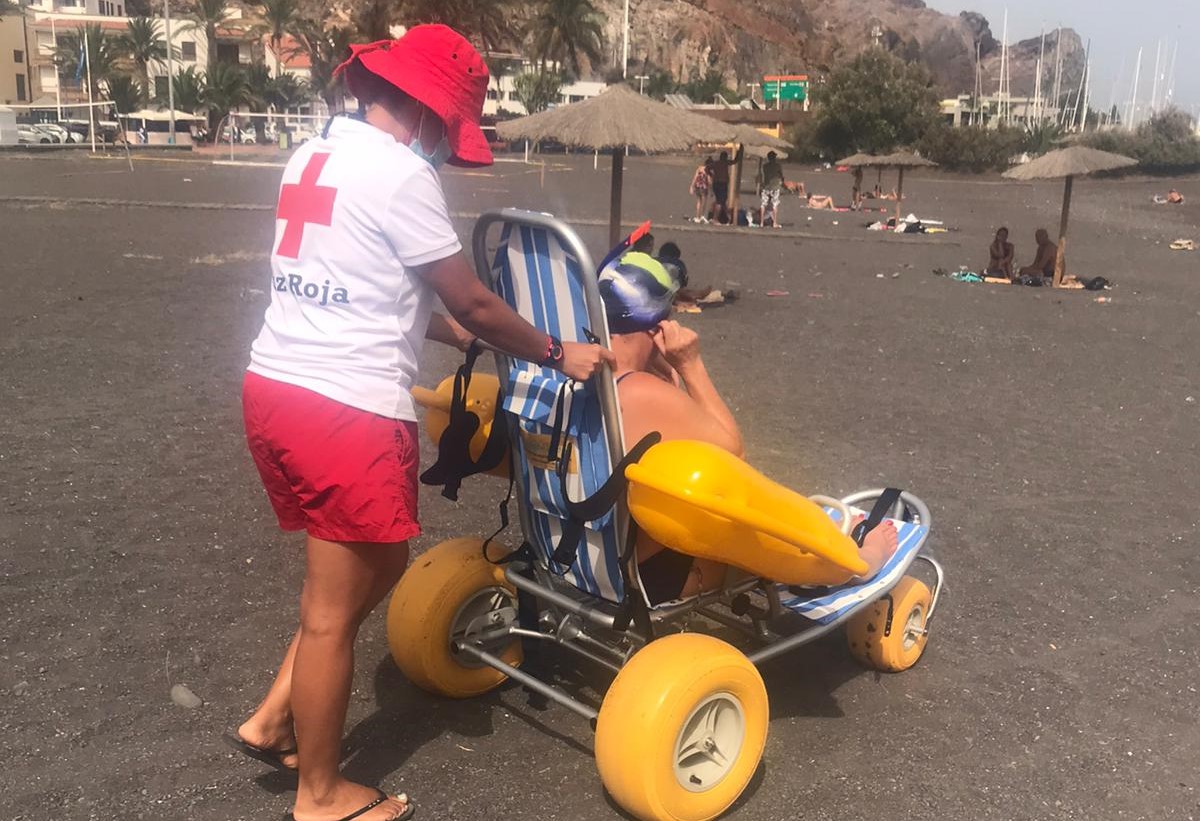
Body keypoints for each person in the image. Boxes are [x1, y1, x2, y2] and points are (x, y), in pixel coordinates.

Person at [232, 26, 614, 821]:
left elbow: (378, 288)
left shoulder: (314, 155)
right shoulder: (402, 174)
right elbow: (468, 297)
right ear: (427, 113)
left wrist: (476, 337)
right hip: (344, 408)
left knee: (373, 570)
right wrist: (553, 350)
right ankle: (322, 794)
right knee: (333, 608)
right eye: (450, 127)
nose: (446, 144)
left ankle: (274, 718)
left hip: (277, 386)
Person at [598, 256, 899, 604]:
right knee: (737, 503)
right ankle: (856, 563)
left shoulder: (573, 378)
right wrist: (690, 365)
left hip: (574, 562)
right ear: (657, 326)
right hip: (645, 580)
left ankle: (823, 535)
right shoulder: (637, 391)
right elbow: (733, 451)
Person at [759, 150, 785, 228]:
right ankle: (774, 223)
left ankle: (761, 223)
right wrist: (782, 181)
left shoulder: (765, 166)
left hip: (766, 186)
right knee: (775, 204)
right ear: (774, 157)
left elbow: (763, 175)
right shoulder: (778, 166)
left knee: (763, 204)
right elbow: (781, 175)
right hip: (775, 187)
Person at [708, 150, 734, 223]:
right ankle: (715, 219)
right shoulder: (725, 163)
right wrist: (739, 154)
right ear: (725, 157)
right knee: (720, 201)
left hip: (716, 183)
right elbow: (734, 161)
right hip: (722, 183)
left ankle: (728, 218)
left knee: (722, 201)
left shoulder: (716, 163)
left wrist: (712, 175)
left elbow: (707, 168)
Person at [689, 158, 713, 223]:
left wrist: (692, 186)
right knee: (704, 202)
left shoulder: (699, 168)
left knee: (699, 201)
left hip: (697, 186)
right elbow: (709, 181)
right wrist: (711, 190)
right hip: (704, 187)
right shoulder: (708, 171)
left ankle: (697, 216)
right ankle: (702, 215)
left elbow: (695, 177)